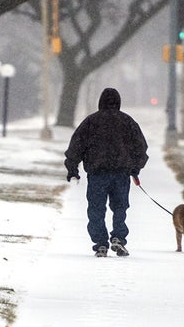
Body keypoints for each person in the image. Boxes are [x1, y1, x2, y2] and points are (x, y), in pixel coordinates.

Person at [64, 87, 150, 257]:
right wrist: (135, 168)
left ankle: (100, 243)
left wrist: (73, 169)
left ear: (100, 102)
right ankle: (118, 237)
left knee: (96, 209)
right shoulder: (128, 122)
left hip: (98, 174)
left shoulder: (91, 122)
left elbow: (76, 146)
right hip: (121, 174)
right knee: (120, 207)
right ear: (118, 102)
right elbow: (141, 148)